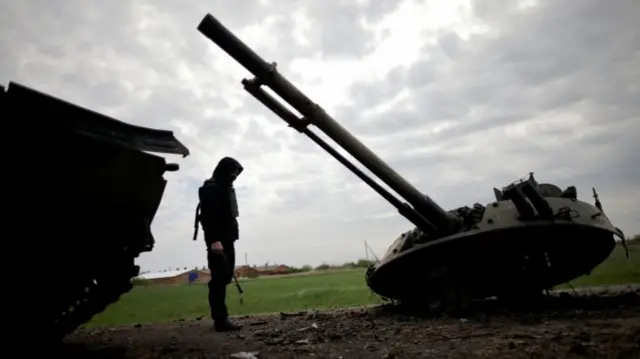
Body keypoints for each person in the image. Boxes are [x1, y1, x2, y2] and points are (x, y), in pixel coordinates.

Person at [197, 156, 244, 332]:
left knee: (224, 278)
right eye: (231, 172)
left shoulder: (225, 187)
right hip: (218, 242)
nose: (234, 175)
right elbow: (208, 218)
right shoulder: (210, 189)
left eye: (236, 173)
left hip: (228, 239)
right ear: (223, 170)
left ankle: (221, 319)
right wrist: (214, 241)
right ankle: (220, 320)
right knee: (218, 280)